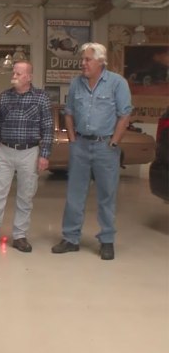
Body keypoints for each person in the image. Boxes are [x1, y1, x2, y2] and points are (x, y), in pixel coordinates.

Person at [52, 42, 132, 261]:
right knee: (74, 194)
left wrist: (114, 142)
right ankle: (70, 239)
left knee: (107, 195)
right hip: (81, 146)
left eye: (87, 59)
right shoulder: (76, 83)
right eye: (83, 59)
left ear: (100, 61)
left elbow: (124, 115)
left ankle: (106, 241)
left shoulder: (117, 83)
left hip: (105, 147)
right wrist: (72, 139)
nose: (83, 63)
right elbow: (68, 112)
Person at [0, 60, 53, 252]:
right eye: (14, 72)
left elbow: (47, 128)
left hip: (29, 152)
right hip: (5, 151)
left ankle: (20, 236)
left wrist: (44, 155)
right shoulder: (4, 97)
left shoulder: (41, 98)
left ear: (29, 77)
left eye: (19, 74)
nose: (14, 76)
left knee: (25, 196)